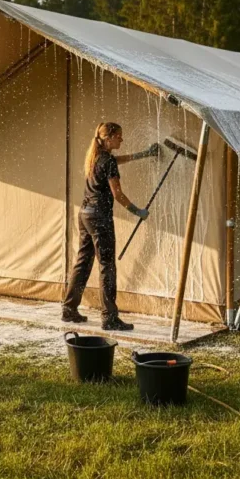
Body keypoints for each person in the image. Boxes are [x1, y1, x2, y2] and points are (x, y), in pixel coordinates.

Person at [62, 122, 158, 331]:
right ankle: (110, 318)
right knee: (107, 266)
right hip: (100, 218)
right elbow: (118, 194)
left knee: (83, 262)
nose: (122, 140)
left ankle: (69, 309)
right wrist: (137, 211)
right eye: (119, 137)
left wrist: (143, 154)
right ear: (109, 138)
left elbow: (116, 161)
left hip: (85, 214)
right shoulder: (108, 161)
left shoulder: (96, 157)